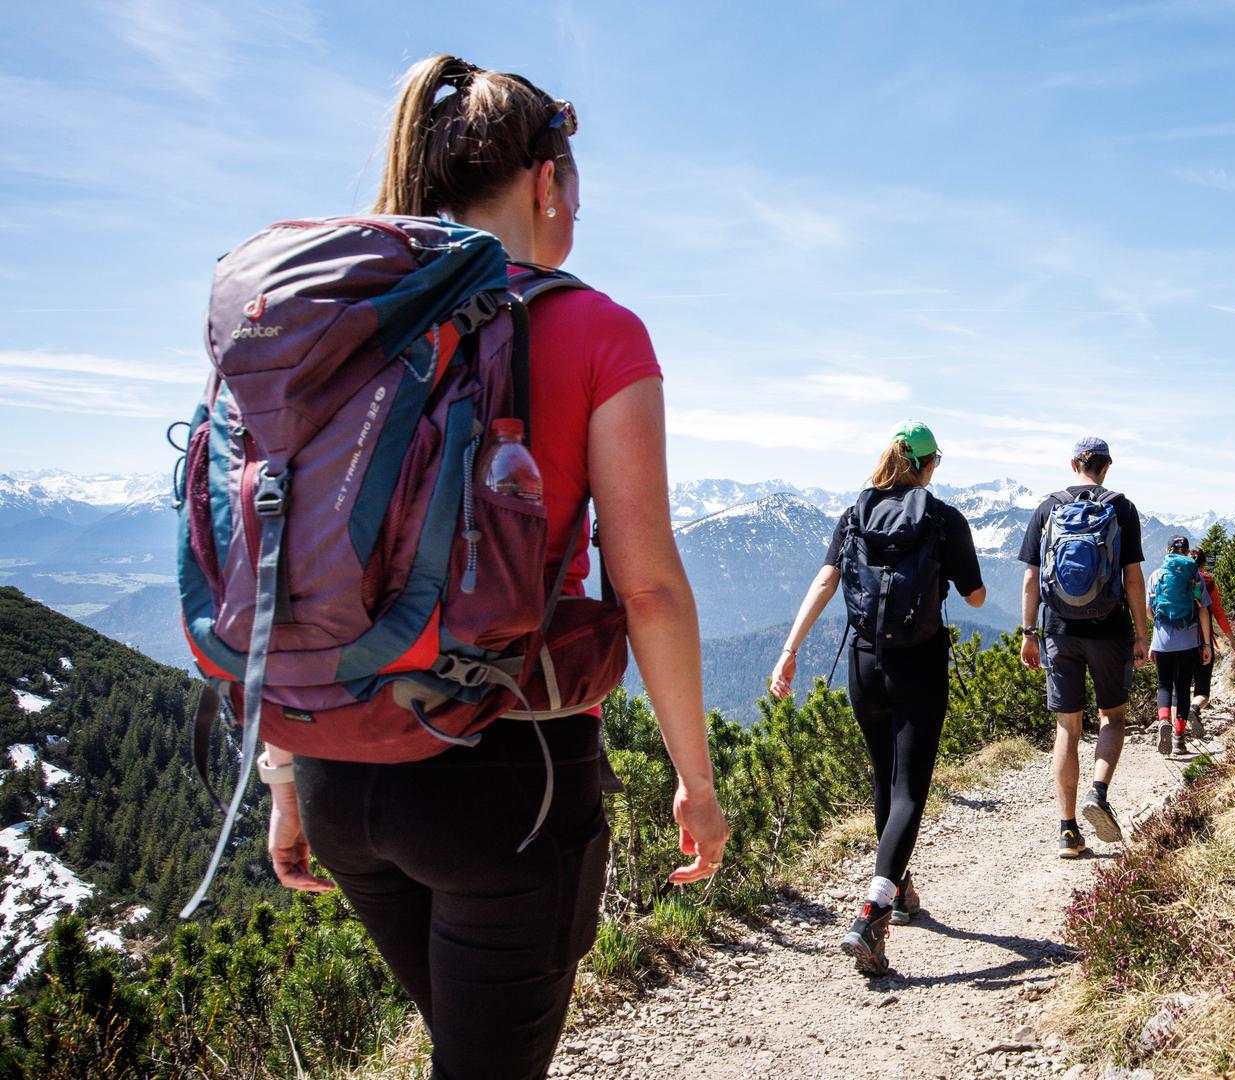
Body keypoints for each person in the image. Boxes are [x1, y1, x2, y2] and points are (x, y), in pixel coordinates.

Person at [256, 56, 727, 1080]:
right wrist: (695, 782)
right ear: (546, 182)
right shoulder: (596, 329)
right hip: (507, 774)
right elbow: (644, 585)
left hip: (341, 771)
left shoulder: (337, 328)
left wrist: (286, 777)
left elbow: (283, 560)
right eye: (577, 190)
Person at [770, 421, 985, 976]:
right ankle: (873, 911)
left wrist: (789, 651)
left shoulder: (856, 513)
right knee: (910, 789)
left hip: (865, 664)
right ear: (928, 463)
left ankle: (901, 886)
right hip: (920, 665)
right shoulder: (942, 518)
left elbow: (824, 582)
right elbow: (978, 597)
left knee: (883, 776)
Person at [1017, 437, 1150, 857]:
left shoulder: (1047, 508)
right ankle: (1098, 791)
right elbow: (1132, 578)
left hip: (1058, 630)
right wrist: (1142, 635)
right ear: (1107, 467)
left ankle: (1068, 830)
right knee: (1112, 718)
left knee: (1067, 728)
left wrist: (1028, 633)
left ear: (1073, 463)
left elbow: (1031, 579)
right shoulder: (1122, 507)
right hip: (1109, 629)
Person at [1147, 537, 1213, 757]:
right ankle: (1178, 739)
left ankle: (1163, 720)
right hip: (1188, 641)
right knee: (1183, 689)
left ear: (1167, 551)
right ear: (1186, 552)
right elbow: (1203, 611)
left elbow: (1150, 611)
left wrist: (1156, 635)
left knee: (1164, 685)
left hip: (1162, 642)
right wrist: (1206, 644)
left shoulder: (1156, 575)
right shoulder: (1195, 576)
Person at [1189, 548, 1235, 726]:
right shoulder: (1207, 581)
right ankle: (1195, 709)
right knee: (1202, 689)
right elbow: (1219, 614)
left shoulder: (1176, 579)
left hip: (1176, 642)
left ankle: (1177, 732)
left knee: (1178, 689)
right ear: (1203, 564)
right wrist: (1233, 642)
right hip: (1202, 641)